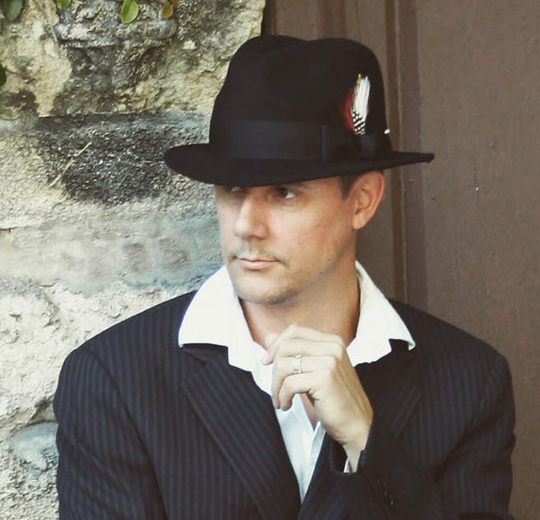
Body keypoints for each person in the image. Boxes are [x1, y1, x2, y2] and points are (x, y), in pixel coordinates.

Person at [54, 35, 515, 519]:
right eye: (232, 190)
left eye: (284, 193)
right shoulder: (116, 379)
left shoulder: (468, 382)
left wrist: (366, 438)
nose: (246, 226)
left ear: (362, 201)